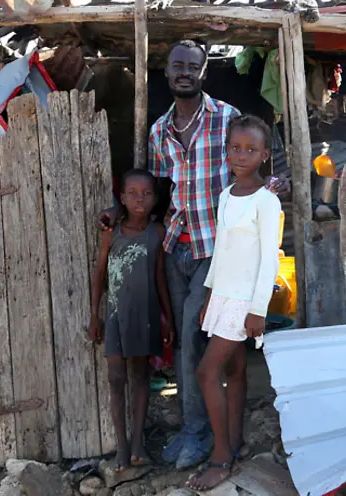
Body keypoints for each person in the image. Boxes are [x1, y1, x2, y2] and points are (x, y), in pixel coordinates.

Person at [99, 40, 289, 469]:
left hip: (214, 250)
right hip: (176, 247)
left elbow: (261, 164)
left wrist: (274, 186)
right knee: (210, 348)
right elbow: (158, 187)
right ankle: (230, 436)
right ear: (166, 74)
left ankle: (197, 437)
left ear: (204, 72)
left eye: (193, 67)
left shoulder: (225, 120)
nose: (184, 73)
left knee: (190, 343)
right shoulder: (159, 130)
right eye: (177, 66)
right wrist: (120, 208)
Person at [188, 114, 282, 490]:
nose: (241, 155)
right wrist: (209, 293)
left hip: (245, 300)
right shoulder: (227, 195)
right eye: (235, 148)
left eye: (251, 149)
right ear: (226, 151)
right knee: (233, 372)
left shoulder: (266, 201)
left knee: (205, 372)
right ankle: (237, 442)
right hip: (222, 294)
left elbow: (270, 258)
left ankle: (221, 457)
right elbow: (222, 250)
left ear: (264, 155)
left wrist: (258, 308)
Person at [90, 169, 176, 471]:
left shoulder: (157, 233)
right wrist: (94, 317)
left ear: (155, 198)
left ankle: (138, 442)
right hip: (115, 315)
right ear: (122, 199)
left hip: (146, 315)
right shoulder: (110, 233)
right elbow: (100, 274)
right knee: (116, 379)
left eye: (147, 193)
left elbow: (160, 277)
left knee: (140, 377)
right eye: (133, 194)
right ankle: (122, 447)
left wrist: (168, 320)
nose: (140, 199)